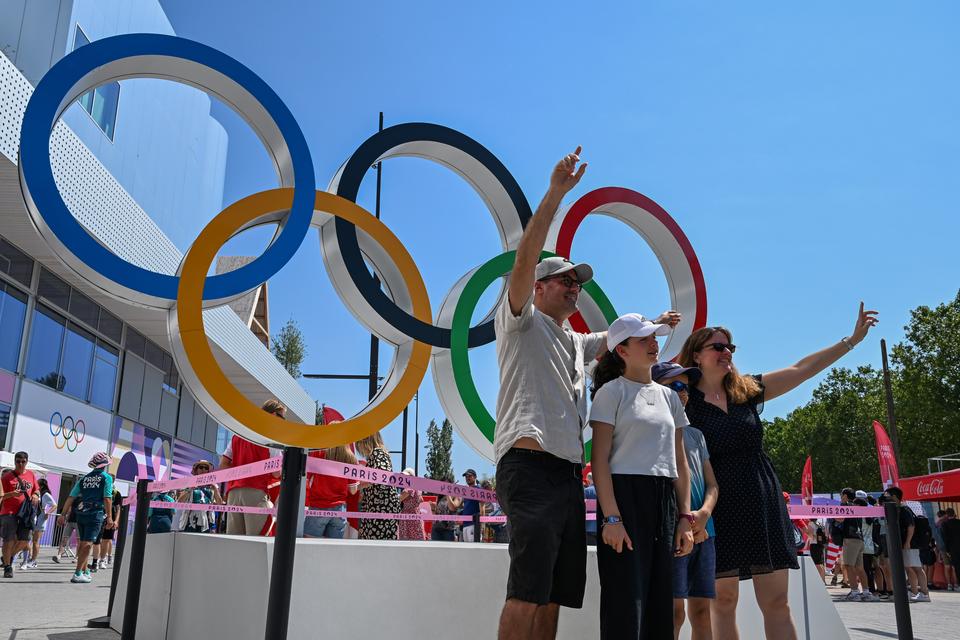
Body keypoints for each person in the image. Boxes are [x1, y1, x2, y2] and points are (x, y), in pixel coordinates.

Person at [493, 146, 680, 640]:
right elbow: (526, 257)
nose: (574, 287)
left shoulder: (576, 342)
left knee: (555, 594)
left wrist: (658, 323)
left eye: (578, 282)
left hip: (568, 476)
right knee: (526, 591)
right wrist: (555, 194)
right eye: (563, 280)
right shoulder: (519, 321)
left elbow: (617, 338)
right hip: (527, 466)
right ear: (536, 287)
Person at [677, 303, 877, 640]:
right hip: (715, 506)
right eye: (718, 347)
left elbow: (801, 369)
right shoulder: (683, 400)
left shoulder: (747, 390)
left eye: (730, 347)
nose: (727, 352)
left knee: (777, 601)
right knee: (723, 602)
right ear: (696, 355)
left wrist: (851, 341)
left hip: (761, 499)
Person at [589, 314, 695, 639]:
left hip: (663, 502)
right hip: (624, 500)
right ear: (621, 350)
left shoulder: (669, 398)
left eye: (655, 337)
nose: (654, 344)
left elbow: (679, 461)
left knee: (660, 606)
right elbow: (599, 461)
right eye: (644, 339)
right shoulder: (610, 392)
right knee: (625, 606)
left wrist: (685, 518)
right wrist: (611, 518)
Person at [652, 361, 719, 640]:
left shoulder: (696, 434)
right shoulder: (650, 431)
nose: (683, 393)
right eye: (675, 386)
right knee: (673, 613)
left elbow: (712, 484)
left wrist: (703, 514)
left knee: (702, 612)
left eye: (686, 388)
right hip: (672, 531)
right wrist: (685, 520)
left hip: (705, 532)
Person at [219, 399, 283, 536]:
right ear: (272, 415)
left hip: (234, 493)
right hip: (255, 491)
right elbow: (277, 473)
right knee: (257, 540)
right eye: (281, 417)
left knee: (235, 540)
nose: (283, 421)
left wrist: (239, 472)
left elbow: (223, 464)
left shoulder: (238, 435)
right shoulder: (270, 436)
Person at [57, 452, 113, 584]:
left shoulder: (84, 478)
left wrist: (63, 514)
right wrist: (110, 517)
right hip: (95, 513)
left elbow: (71, 496)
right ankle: (77, 573)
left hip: (81, 513)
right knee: (88, 544)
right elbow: (107, 498)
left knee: (83, 542)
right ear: (105, 465)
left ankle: (85, 571)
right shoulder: (106, 478)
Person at [884, 486, 930, 602]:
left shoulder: (904, 509)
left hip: (910, 544)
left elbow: (911, 526)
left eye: (887, 496)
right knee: (909, 568)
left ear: (894, 497)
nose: (885, 499)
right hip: (905, 543)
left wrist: (908, 542)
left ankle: (924, 593)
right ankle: (914, 592)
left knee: (916, 567)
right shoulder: (899, 509)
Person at [304, 445, 359, 539]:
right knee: (333, 549)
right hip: (339, 510)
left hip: (318, 506)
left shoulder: (318, 451)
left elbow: (305, 479)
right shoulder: (350, 457)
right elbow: (353, 490)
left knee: (310, 548)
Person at [1, 451, 39, 578]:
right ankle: (7, 567)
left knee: (25, 540)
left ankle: (8, 557)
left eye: (23, 462)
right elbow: (1, 496)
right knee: (9, 539)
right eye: (18, 461)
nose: (20, 464)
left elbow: (36, 489)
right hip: (9, 512)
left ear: (26, 462)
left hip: (26, 513)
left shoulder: (31, 475)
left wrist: (35, 495)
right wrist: (12, 494)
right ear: (14, 461)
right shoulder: (6, 477)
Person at [356, 431, 400, 540]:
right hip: (382, 507)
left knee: (375, 543)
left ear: (365, 441)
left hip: (380, 508)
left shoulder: (377, 453)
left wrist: (359, 486)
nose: (360, 450)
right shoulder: (382, 453)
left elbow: (381, 477)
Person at [837, 488, 876, 602]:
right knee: (860, 568)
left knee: (849, 566)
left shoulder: (846, 506)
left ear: (845, 495)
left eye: (841, 494)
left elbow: (840, 519)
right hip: (860, 539)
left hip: (850, 539)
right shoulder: (857, 506)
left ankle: (854, 592)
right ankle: (866, 591)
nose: (840, 497)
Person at [178, 460, 224, 533]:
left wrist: (215, 489)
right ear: (196, 470)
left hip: (207, 520)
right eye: (201, 467)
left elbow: (219, 503)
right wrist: (190, 489)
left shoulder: (213, 485)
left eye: (206, 468)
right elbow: (180, 501)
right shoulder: (189, 482)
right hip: (191, 519)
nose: (203, 470)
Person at [398, 468, 426, 541]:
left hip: (407, 517)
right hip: (417, 515)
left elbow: (398, 499)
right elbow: (421, 500)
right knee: (417, 542)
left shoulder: (409, 488)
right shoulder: (419, 488)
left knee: (406, 542)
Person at [98, 489, 122, 568]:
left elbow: (118, 509)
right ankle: (96, 559)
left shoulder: (116, 493)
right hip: (100, 517)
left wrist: (116, 521)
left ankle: (102, 560)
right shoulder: (101, 490)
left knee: (107, 540)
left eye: (113, 477)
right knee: (97, 540)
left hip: (111, 520)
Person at [939, 508, 960, 591]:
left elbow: (945, 538)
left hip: (950, 548)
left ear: (947, 515)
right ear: (954, 513)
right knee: (956, 567)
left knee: (949, 566)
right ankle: (957, 584)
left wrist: (947, 550)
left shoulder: (944, 524)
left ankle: (950, 585)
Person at [459, 468, 482, 543]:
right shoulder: (466, 491)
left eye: (469, 476)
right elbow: (459, 506)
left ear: (475, 477)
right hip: (465, 524)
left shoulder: (478, 489)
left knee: (474, 549)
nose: (467, 478)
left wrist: (481, 524)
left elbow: (482, 505)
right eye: (466, 476)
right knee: (467, 549)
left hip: (474, 524)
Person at [584, 473, 598, 547]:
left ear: (589, 480)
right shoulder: (602, 490)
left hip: (589, 527)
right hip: (601, 525)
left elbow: (587, 510)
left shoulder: (587, 491)